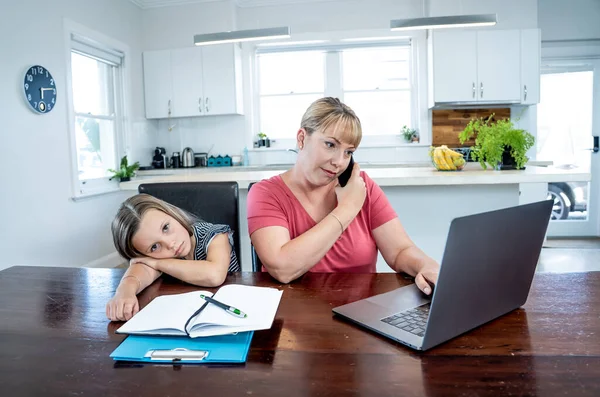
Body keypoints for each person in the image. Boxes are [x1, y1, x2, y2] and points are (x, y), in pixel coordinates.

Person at [247, 97, 439, 293]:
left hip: (360, 314)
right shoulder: (265, 194)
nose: (339, 161)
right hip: (293, 317)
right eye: (330, 145)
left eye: (348, 152)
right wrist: (348, 208)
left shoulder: (362, 186)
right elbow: (283, 269)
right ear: (302, 138)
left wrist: (426, 265)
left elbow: (400, 251)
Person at [106, 193, 240, 321]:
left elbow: (214, 275)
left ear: (172, 213)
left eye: (165, 228)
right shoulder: (157, 258)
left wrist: (156, 263)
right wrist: (124, 291)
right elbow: (139, 270)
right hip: (189, 314)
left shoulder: (215, 235)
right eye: (154, 247)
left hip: (231, 308)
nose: (170, 244)